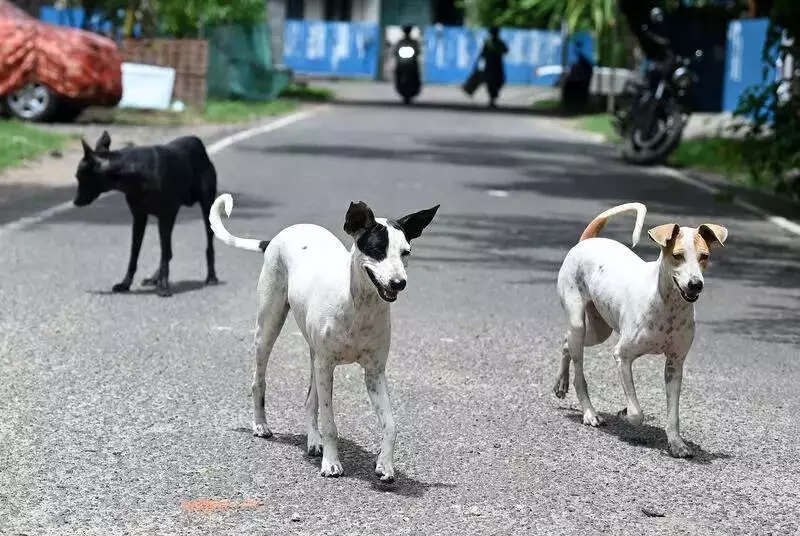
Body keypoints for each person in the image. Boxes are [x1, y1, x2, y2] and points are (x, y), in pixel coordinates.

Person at [480, 26, 508, 108]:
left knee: (498, 82)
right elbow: (483, 54)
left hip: (496, 66)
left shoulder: (499, 43)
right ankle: (492, 99)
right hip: (491, 66)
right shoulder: (488, 43)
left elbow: (506, 50)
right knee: (490, 83)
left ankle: (494, 96)